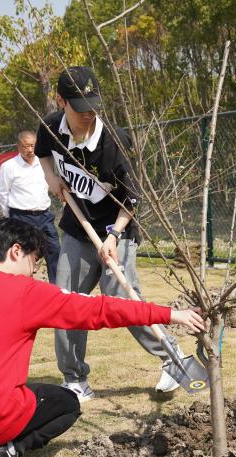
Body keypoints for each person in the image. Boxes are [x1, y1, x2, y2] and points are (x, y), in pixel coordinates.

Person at [0, 218, 204, 457]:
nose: (34, 270)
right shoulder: (27, 292)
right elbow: (99, 309)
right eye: (34, 260)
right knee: (66, 402)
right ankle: (6, 452)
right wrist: (170, 314)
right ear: (16, 251)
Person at [35, 66, 183, 401]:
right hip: (77, 229)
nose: (88, 113)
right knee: (66, 303)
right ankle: (75, 379)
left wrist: (114, 235)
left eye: (93, 106)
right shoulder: (51, 127)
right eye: (80, 107)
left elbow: (133, 198)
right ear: (61, 101)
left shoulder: (114, 141)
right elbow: (43, 153)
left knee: (122, 299)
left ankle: (171, 357)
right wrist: (51, 178)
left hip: (118, 228)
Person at [0, 130, 61, 284]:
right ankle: (24, 286)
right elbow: (2, 193)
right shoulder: (9, 166)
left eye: (33, 145)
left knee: (54, 250)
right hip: (21, 217)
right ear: (18, 147)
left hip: (44, 216)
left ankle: (56, 287)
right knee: (24, 254)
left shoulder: (44, 163)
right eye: (26, 146)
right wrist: (10, 216)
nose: (30, 150)